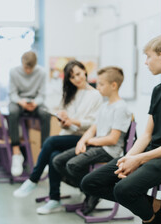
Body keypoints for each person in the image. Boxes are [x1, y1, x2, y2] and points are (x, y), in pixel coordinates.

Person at [81, 34, 161, 224]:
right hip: (149, 157)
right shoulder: (158, 90)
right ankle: (157, 210)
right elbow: (147, 135)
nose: (145, 62)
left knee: (124, 189)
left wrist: (139, 159)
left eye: (148, 57)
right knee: (91, 182)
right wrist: (128, 158)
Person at [13, 60, 103, 215]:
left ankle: (34, 179)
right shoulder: (70, 94)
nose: (77, 78)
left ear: (85, 71)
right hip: (69, 135)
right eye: (72, 77)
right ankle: (54, 199)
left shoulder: (96, 95)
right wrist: (63, 121)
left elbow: (95, 124)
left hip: (85, 139)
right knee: (54, 155)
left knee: (50, 141)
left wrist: (73, 121)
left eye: (79, 74)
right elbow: (66, 122)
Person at [53, 66, 132, 215]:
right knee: (58, 161)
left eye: (101, 84)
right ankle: (90, 190)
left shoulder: (121, 108)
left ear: (113, 85)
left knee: (72, 165)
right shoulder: (104, 106)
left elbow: (113, 139)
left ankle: (92, 190)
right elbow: (93, 128)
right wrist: (82, 141)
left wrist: (90, 142)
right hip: (96, 146)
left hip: (108, 151)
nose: (98, 87)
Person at [8, 51, 51, 177]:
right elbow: (12, 93)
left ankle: (43, 154)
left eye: (30, 68)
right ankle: (16, 153)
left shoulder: (42, 72)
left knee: (45, 113)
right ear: (22, 63)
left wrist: (35, 103)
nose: (28, 71)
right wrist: (20, 102)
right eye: (26, 67)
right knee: (13, 112)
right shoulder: (14, 72)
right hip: (18, 101)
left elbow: (42, 94)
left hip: (35, 101)